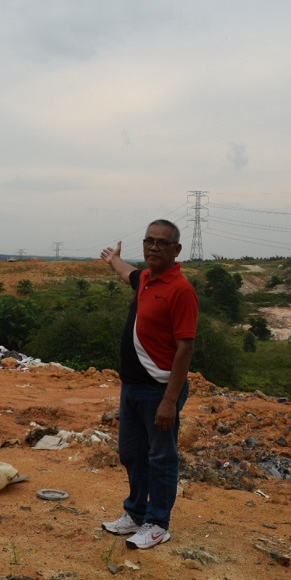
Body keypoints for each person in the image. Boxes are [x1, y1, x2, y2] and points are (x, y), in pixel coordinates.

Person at [99, 219, 198, 550]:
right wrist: (113, 258)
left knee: (161, 457)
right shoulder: (145, 279)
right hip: (131, 387)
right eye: (149, 241)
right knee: (131, 454)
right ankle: (137, 513)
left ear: (176, 250)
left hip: (159, 390)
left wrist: (170, 401)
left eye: (162, 243)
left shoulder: (180, 289)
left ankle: (158, 523)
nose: (154, 247)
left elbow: (185, 348)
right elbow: (126, 271)